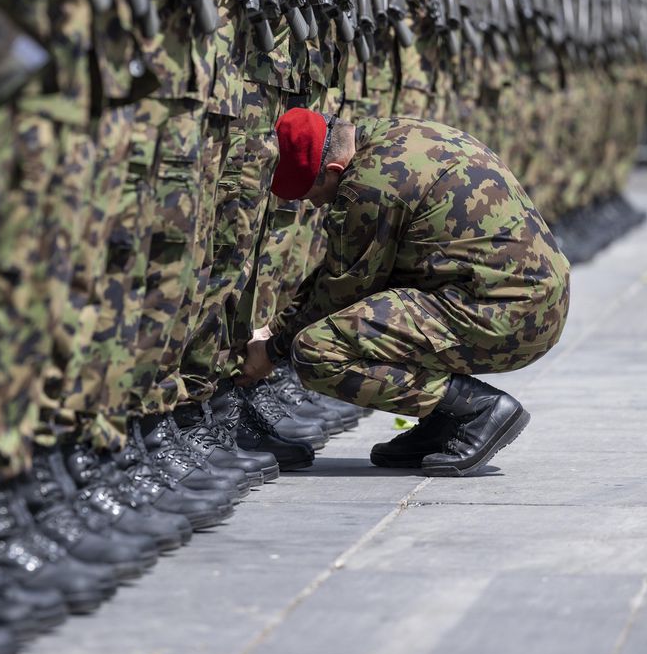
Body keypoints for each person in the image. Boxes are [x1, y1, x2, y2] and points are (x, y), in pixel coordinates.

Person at [239, 108, 571, 476]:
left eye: (314, 195)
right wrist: (276, 330)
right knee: (382, 305)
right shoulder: (393, 134)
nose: (316, 205)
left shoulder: (370, 185)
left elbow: (343, 287)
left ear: (333, 171)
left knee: (317, 350)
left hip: (509, 314)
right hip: (532, 298)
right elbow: (344, 267)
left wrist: (273, 349)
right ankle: (443, 422)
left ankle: (476, 409)